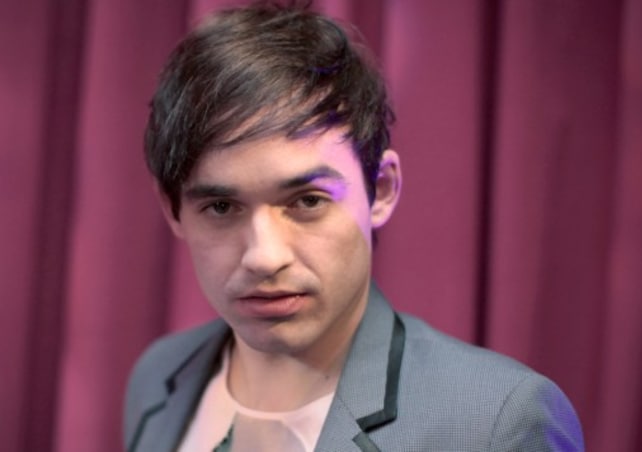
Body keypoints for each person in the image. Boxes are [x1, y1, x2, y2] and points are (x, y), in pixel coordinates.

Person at [124, 2, 584, 451]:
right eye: (222, 207)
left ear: (380, 189)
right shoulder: (160, 378)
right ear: (173, 209)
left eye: (307, 201)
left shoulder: (497, 422)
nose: (264, 256)